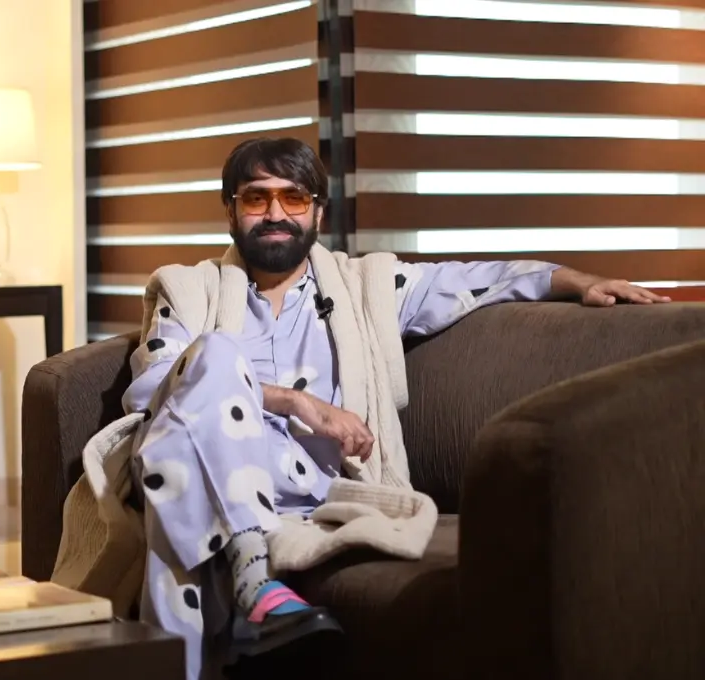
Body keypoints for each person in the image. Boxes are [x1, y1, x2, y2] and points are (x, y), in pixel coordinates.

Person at [116, 137, 670, 680]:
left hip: (311, 498)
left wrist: (577, 280)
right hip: (202, 476)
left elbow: (475, 281)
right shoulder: (190, 291)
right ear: (231, 210)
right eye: (257, 198)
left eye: (295, 198)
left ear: (318, 211)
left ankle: (225, 612)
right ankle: (252, 574)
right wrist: (294, 401)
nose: (276, 213)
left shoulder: (366, 289)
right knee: (212, 361)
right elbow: (156, 391)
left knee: (176, 506)